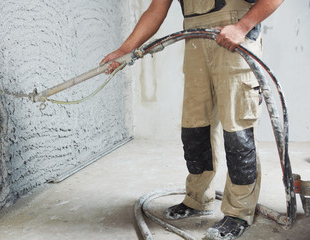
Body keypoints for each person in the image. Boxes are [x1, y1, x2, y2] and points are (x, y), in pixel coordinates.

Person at [100, 0, 284, 239]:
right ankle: (198, 199)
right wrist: (125, 50)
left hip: (237, 42)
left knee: (237, 134)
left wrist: (242, 26)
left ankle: (239, 211)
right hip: (196, 44)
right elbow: (156, 9)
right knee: (195, 129)